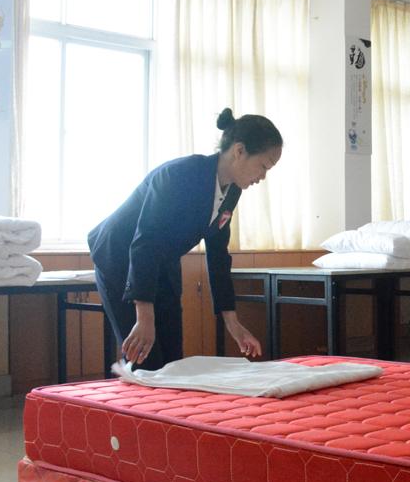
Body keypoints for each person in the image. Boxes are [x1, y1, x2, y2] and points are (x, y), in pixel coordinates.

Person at [88, 108, 283, 368]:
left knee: (172, 361)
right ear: (239, 151)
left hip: (162, 261)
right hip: (120, 256)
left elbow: (218, 255)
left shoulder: (232, 190)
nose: (263, 177)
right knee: (145, 359)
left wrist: (233, 323)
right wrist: (144, 316)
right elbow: (146, 241)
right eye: (263, 166)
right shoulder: (179, 176)